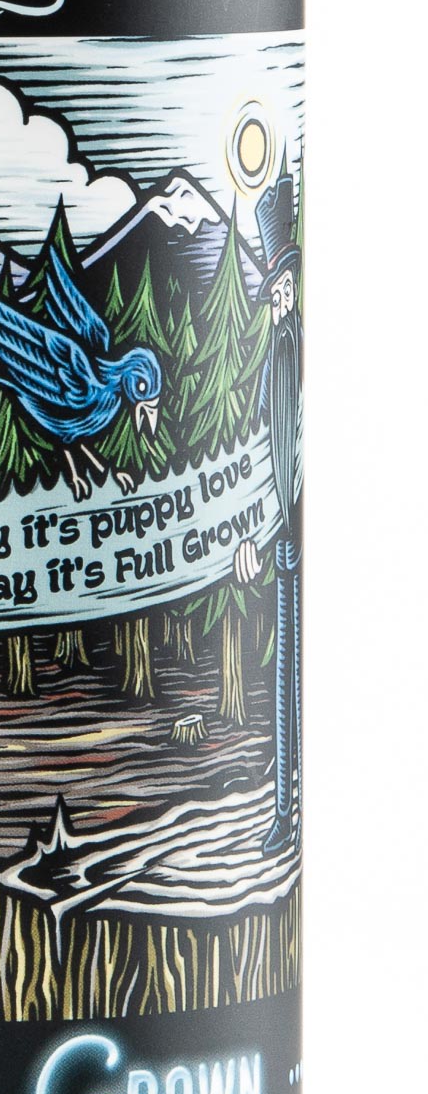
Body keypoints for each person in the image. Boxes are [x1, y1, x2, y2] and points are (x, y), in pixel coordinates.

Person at [234, 160, 302, 856]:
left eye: (285, 285)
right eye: (275, 289)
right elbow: (257, 458)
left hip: (300, 540)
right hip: (281, 542)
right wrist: (250, 534)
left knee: (294, 682)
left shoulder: (303, 349)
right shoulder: (271, 363)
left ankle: (290, 810)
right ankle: (284, 811)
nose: (280, 298)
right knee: (283, 685)